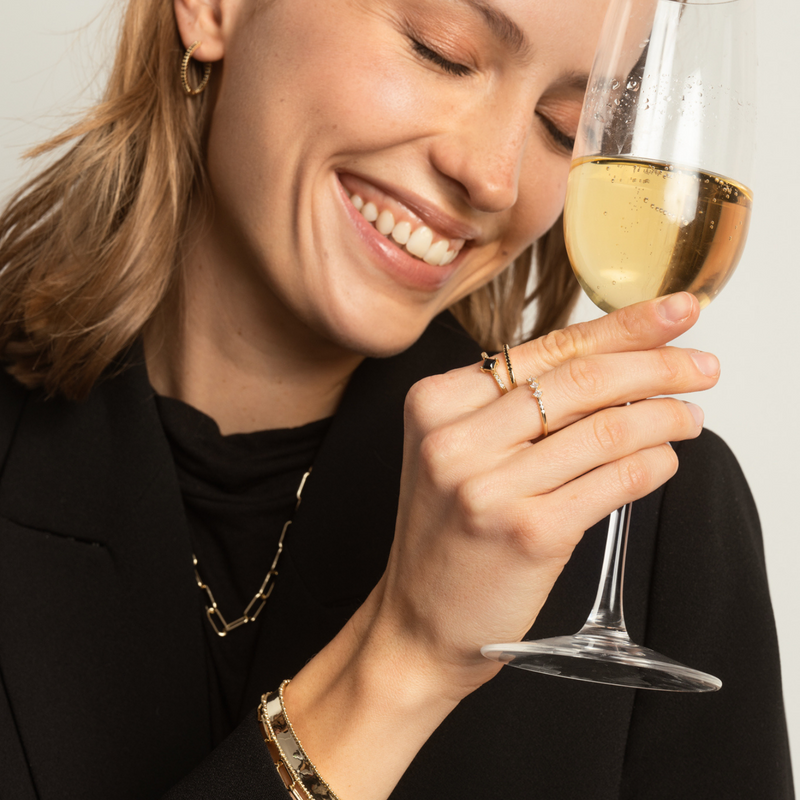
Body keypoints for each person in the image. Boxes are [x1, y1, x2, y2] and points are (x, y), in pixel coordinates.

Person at [0, 0, 793, 798]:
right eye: (441, 51)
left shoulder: (655, 514)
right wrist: (402, 663)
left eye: (565, 127)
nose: (493, 177)